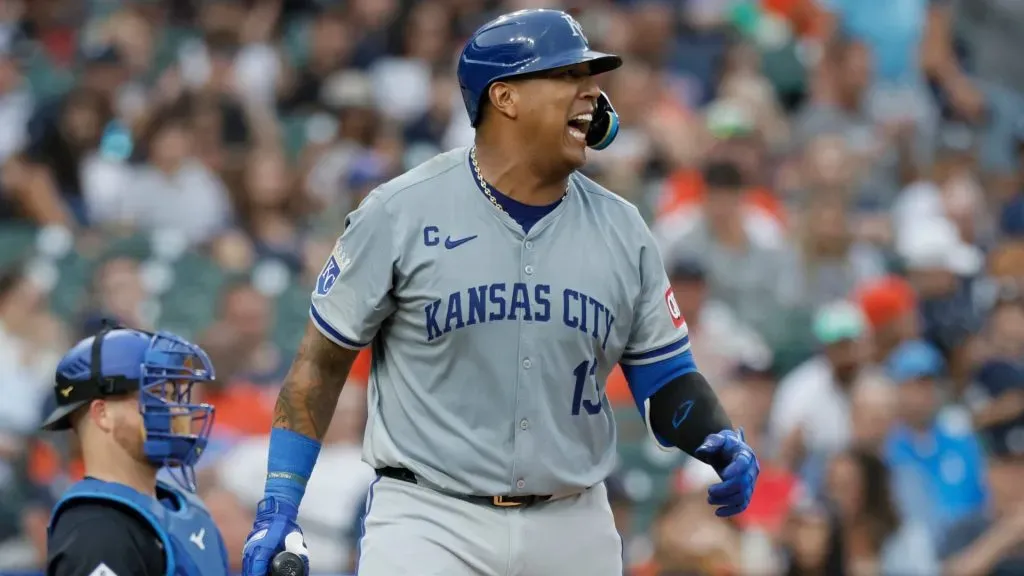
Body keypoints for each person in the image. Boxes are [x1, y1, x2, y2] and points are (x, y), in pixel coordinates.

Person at [241, 9, 760, 576]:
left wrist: (715, 436)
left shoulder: (623, 228)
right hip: (430, 518)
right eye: (568, 76)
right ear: (505, 97)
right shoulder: (398, 212)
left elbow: (664, 377)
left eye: (591, 78)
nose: (592, 93)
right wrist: (280, 502)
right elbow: (319, 363)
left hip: (572, 521)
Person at [43, 325, 228, 575]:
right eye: (157, 395)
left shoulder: (187, 510)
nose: (176, 411)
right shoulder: (97, 530)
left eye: (175, 396)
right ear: (103, 413)